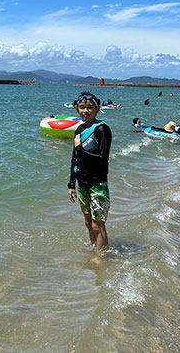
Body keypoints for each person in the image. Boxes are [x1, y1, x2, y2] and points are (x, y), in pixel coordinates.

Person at [68, 92, 112, 251]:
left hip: (98, 182)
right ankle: (96, 250)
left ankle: (102, 259)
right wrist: (71, 183)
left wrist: (80, 148)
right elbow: (75, 158)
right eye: (82, 107)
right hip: (82, 183)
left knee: (97, 224)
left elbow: (102, 157)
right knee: (88, 222)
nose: (85, 111)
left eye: (89, 107)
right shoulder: (79, 129)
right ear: (77, 109)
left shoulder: (102, 129)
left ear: (97, 109)